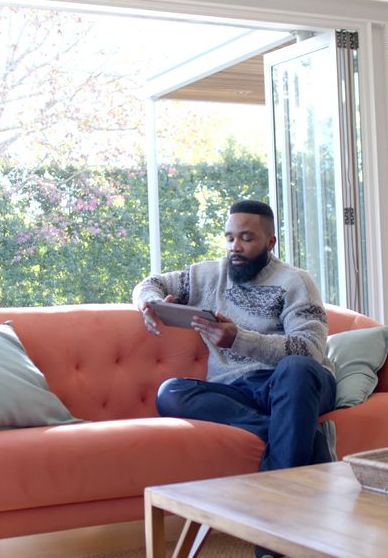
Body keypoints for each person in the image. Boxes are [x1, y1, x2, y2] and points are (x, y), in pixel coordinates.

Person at [132, 200, 338, 473]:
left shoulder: (296, 282)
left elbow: (309, 350)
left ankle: (281, 488)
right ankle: (303, 435)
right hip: (237, 390)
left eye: (246, 238)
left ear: (270, 242)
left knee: (296, 368)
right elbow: (150, 284)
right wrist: (149, 302)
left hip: (293, 385)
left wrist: (239, 339)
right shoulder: (208, 276)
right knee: (170, 392)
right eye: (229, 238)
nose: (235, 247)